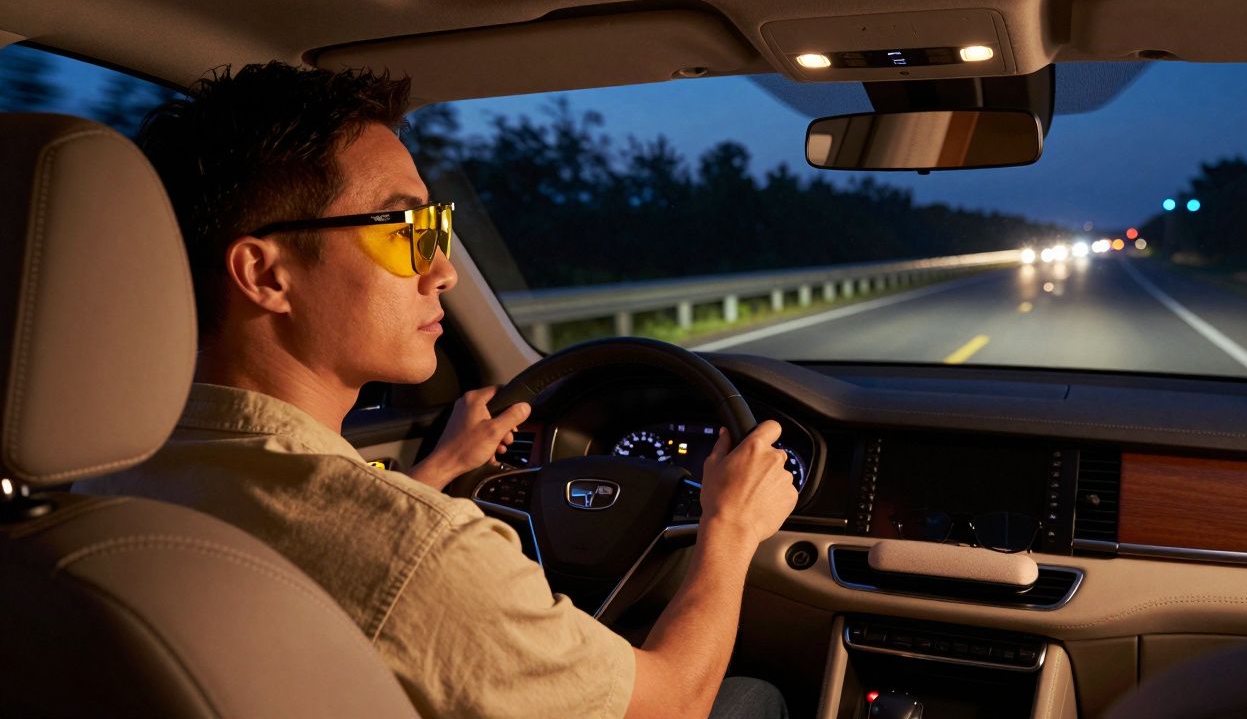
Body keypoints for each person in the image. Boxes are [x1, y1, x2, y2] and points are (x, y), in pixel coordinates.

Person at [76, 62, 798, 718]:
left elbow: (330, 550)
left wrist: (439, 472)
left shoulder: (102, 476)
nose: (444, 270)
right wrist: (730, 530)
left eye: (438, 226)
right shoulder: (427, 555)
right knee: (753, 697)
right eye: (405, 228)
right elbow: (673, 701)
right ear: (267, 276)